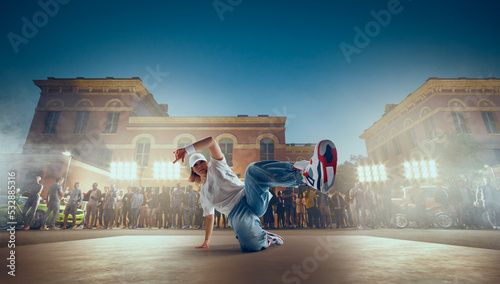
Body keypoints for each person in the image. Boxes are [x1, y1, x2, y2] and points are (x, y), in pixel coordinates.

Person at [174, 136, 337, 252]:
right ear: (192, 170)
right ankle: (263, 236)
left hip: (250, 196)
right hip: (236, 214)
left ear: (206, 162)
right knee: (251, 246)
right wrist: (206, 241)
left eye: (201, 161)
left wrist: (187, 150)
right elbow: (210, 217)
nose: (200, 165)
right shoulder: (203, 194)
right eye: (195, 164)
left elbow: (211, 141)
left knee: (252, 170)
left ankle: (307, 175)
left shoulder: (217, 165)